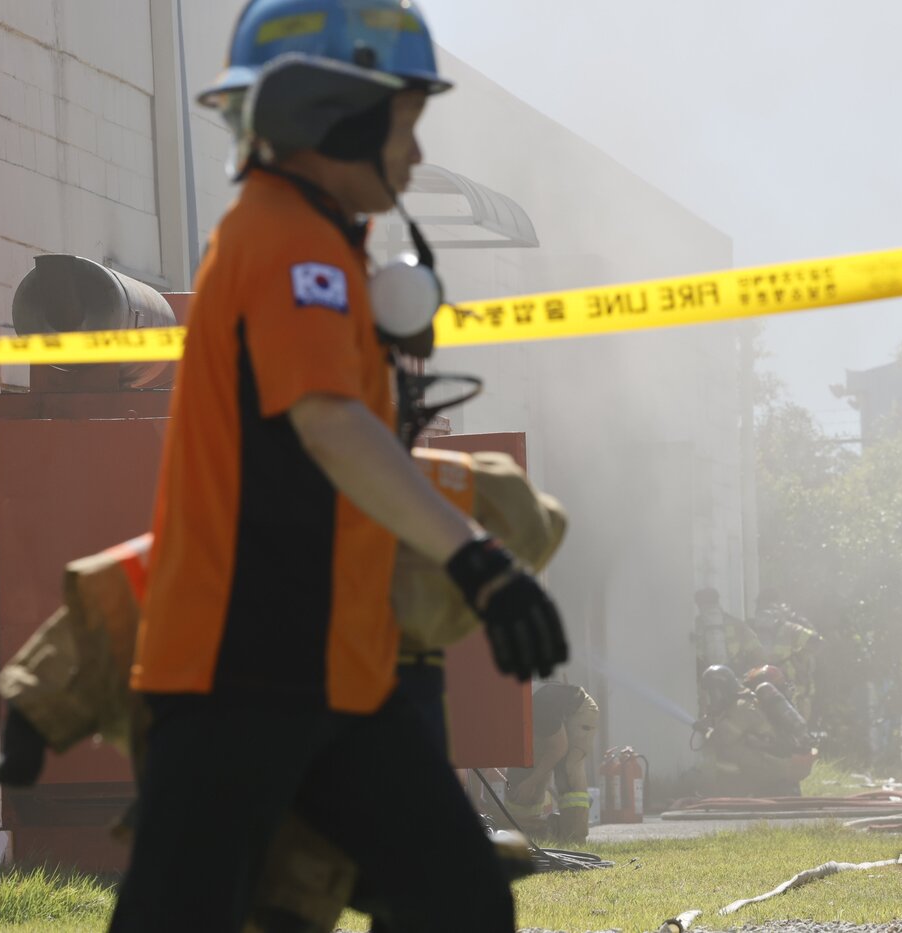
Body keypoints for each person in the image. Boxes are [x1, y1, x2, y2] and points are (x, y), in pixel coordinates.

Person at [110, 3, 567, 931]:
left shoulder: (322, 246)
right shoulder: (287, 242)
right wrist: (479, 561)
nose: (416, 154)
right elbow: (328, 424)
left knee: (459, 900)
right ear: (334, 116)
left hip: (337, 673)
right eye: (405, 123)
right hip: (238, 673)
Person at [693, 665, 814, 798]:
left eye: (711, 694)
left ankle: (733, 793)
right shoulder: (746, 701)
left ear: (720, 690)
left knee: (728, 751)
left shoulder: (741, 706)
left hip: (774, 768)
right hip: (777, 763)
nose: (710, 699)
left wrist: (705, 729)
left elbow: (720, 739)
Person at [504, 683, 600, 843]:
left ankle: (574, 837)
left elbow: (559, 748)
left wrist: (531, 782)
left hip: (581, 710)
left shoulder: (540, 710)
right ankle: (532, 832)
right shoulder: (524, 718)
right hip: (558, 712)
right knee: (529, 765)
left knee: (568, 767)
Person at [750, 589, 823, 720]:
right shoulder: (790, 628)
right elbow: (817, 643)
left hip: (758, 688)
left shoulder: (749, 626)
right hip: (788, 688)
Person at [692, 587, 765, 685]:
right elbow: (756, 650)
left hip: (705, 679)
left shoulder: (694, 626)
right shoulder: (736, 624)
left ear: (699, 604)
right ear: (718, 601)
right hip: (734, 677)